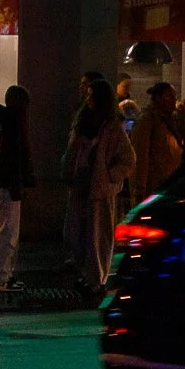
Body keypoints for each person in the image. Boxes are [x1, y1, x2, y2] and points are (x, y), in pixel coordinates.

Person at [63, 76, 133, 297]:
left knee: (97, 236)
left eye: (92, 95)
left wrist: (111, 176)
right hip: (80, 183)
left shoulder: (112, 128)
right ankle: (87, 274)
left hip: (99, 188)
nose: (88, 99)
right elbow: (72, 150)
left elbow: (128, 159)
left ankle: (96, 278)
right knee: (75, 233)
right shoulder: (82, 122)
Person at [0, 85, 36, 292]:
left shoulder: (3, 122)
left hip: (3, 184)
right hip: (8, 185)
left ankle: (3, 276)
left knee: (7, 230)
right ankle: (1, 277)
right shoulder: (13, 126)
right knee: (8, 231)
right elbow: (11, 160)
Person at [130, 81, 185, 198]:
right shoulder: (147, 120)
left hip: (172, 183)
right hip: (155, 185)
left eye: (174, 96)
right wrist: (139, 187)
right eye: (170, 96)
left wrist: (184, 121)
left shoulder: (175, 119)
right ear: (158, 98)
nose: (174, 100)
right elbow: (141, 155)